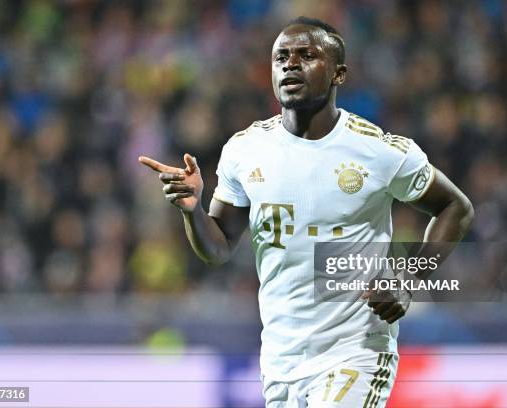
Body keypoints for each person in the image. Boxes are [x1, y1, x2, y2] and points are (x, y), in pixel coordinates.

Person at [139, 16, 474, 408]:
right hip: (280, 360)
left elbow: (456, 207)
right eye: (281, 56)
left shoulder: (378, 151)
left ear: (339, 74)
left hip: (356, 351)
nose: (290, 64)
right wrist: (193, 210)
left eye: (307, 55)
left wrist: (409, 277)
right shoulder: (244, 151)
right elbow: (217, 249)